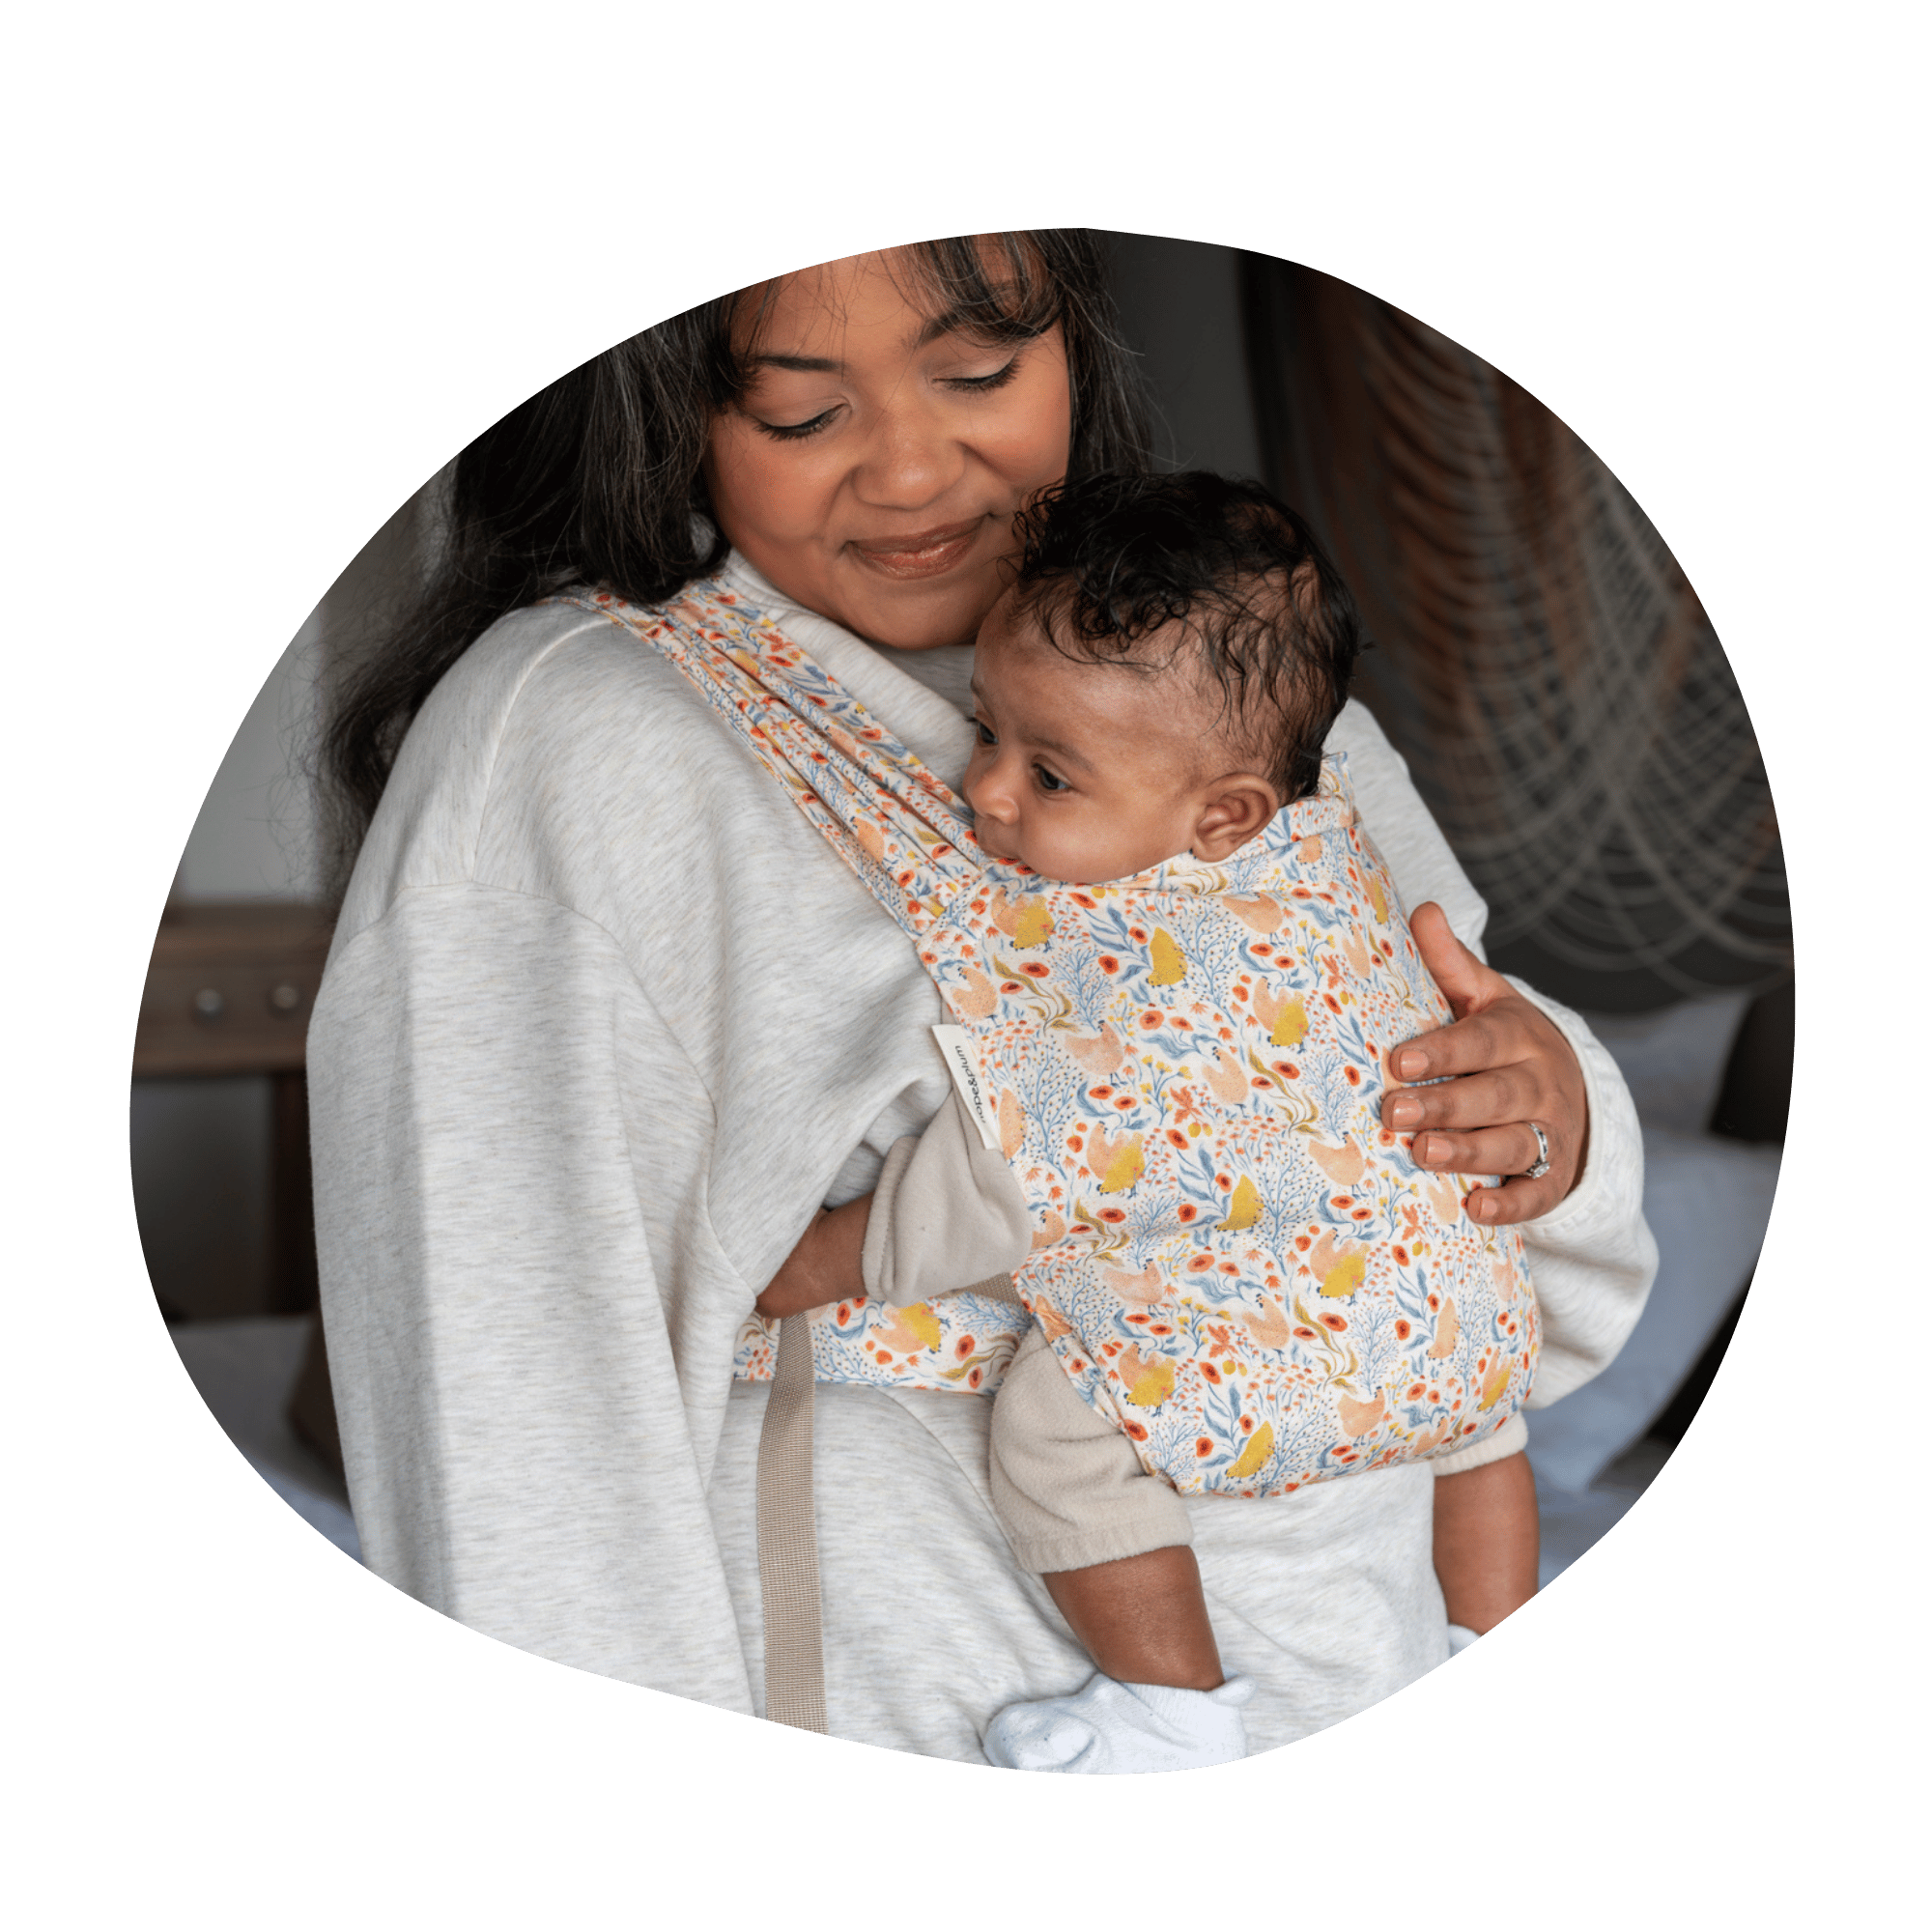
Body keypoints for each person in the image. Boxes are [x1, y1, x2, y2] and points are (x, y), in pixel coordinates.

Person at [311, 235, 1655, 1763]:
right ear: (666, 408)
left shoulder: (1262, 715)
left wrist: (1554, 1119)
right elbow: (513, 1448)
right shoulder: (572, 743)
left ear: (1073, 339)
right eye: (805, 413)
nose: (909, 470)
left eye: (976, 372)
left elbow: (1535, 1298)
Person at [754, 469, 1541, 1772]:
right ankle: (1491, 1635)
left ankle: (1171, 1706)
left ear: (1221, 814)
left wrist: (800, 1269)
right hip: (1435, 1306)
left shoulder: (1108, 968)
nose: (987, 793)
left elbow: (1010, 1177)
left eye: (1050, 775)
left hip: (1249, 1349)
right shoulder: (1329, 855)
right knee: (1482, 1413)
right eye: (985, 731)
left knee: (1066, 1430)